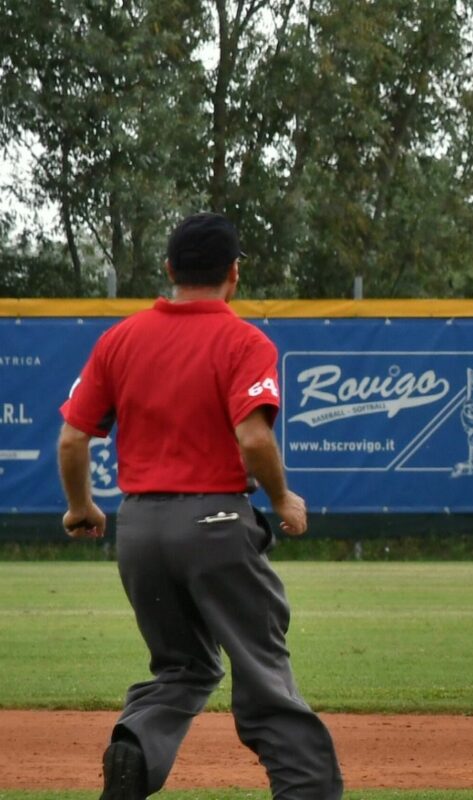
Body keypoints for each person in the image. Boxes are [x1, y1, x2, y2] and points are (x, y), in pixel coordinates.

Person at [57, 212, 343, 800]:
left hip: (137, 528)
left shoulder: (120, 339)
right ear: (233, 275)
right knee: (263, 674)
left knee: (183, 666)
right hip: (214, 522)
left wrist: (81, 506)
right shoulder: (243, 341)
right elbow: (255, 439)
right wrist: (283, 498)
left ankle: (134, 746)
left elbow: (71, 438)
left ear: (169, 270)